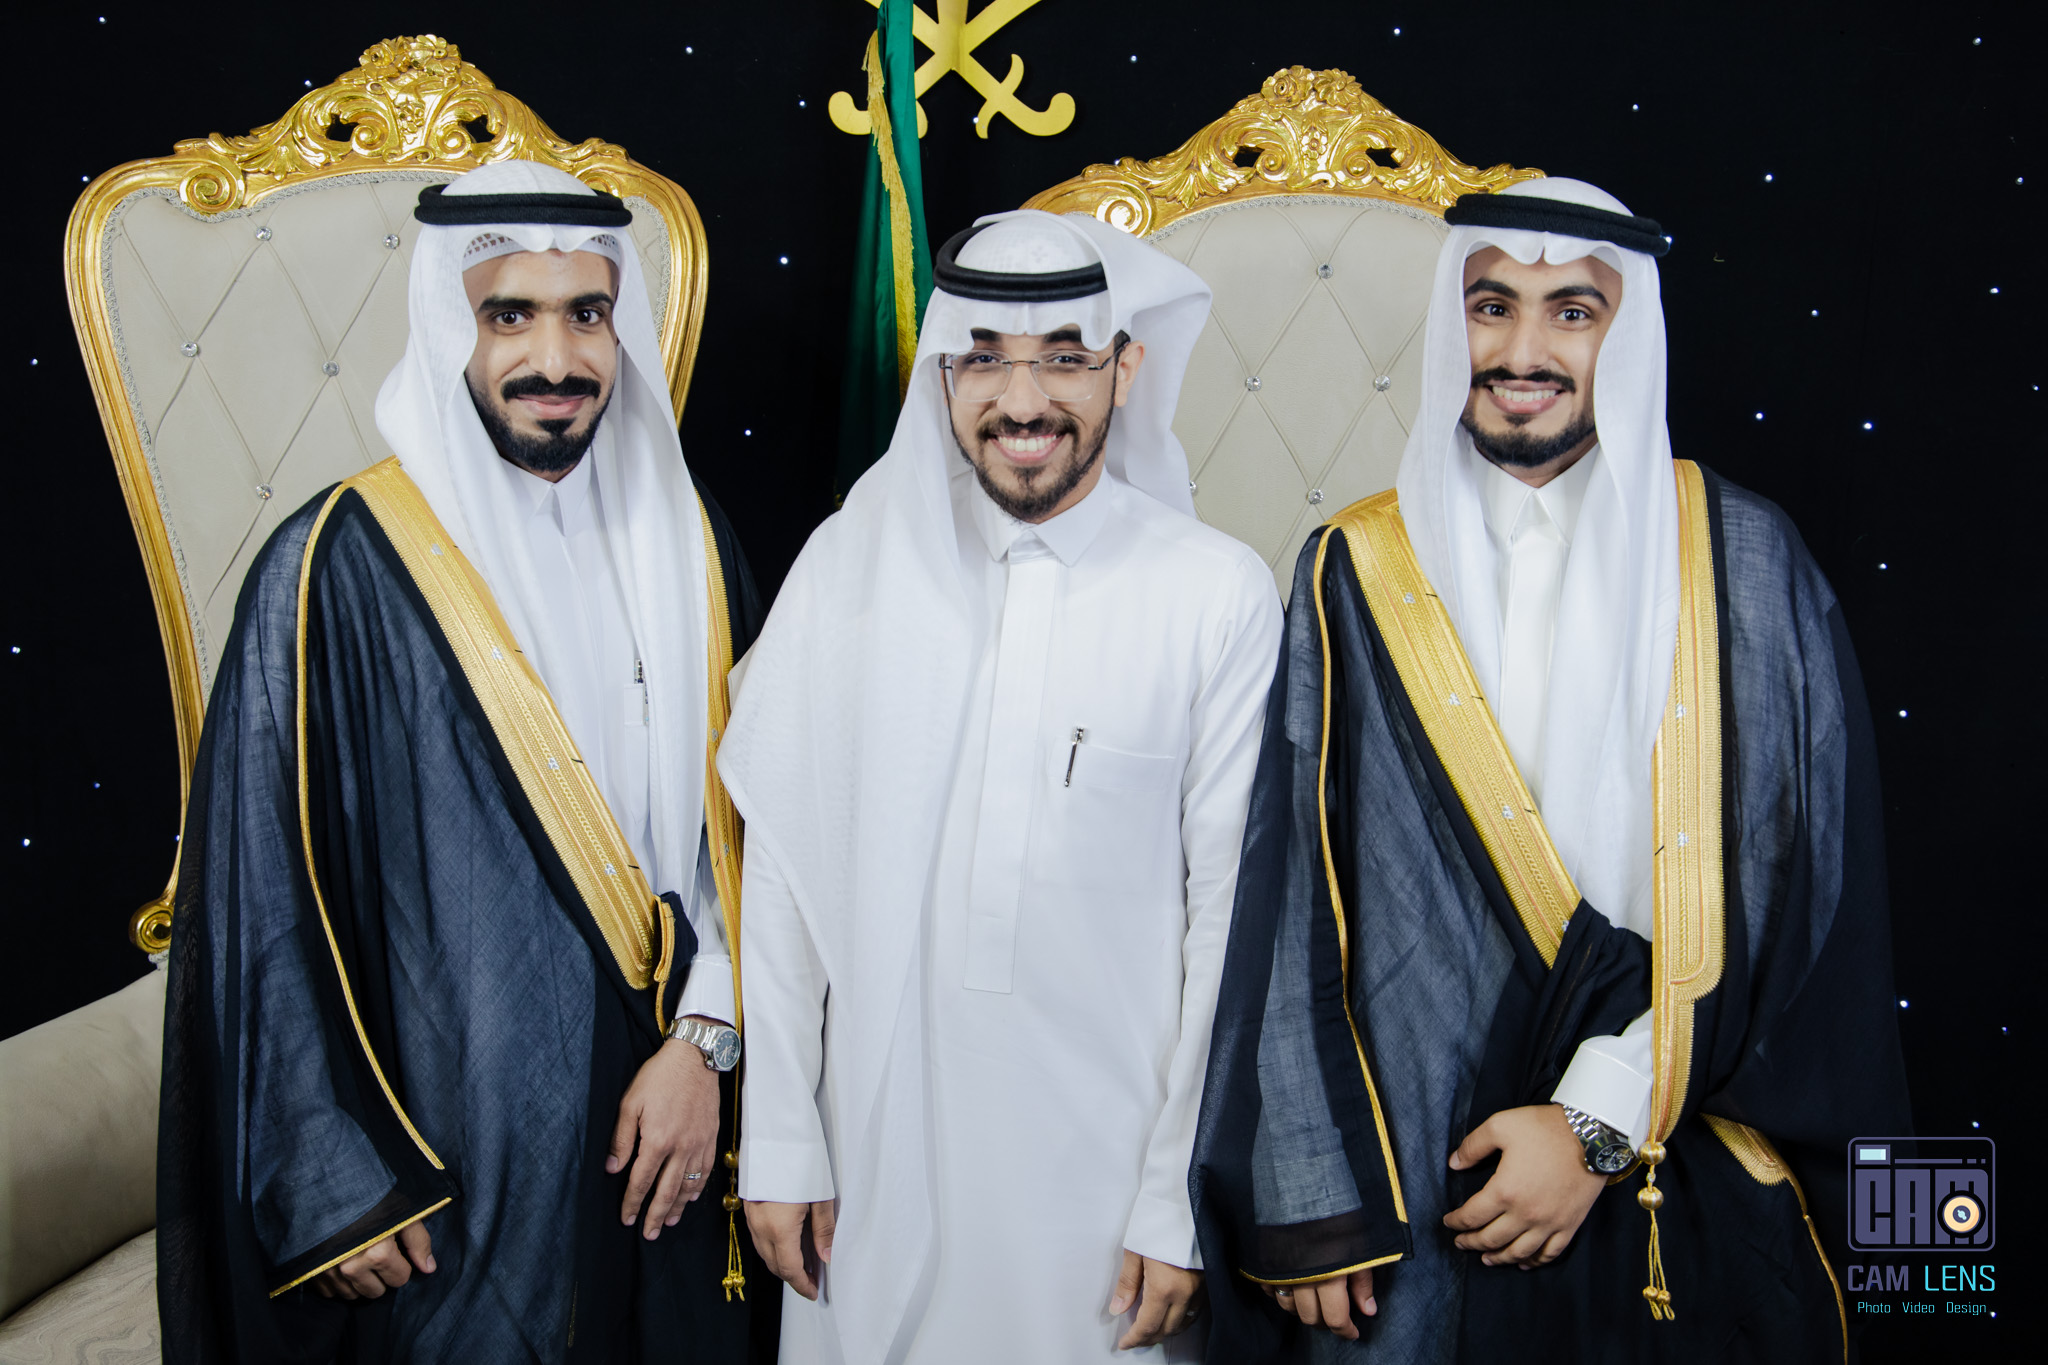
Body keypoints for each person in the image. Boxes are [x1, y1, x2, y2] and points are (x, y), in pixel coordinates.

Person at [1192, 178, 1910, 1363]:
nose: (1521, 350)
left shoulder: (1740, 560)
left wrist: (1594, 1122)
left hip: (1672, 1123)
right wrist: (1316, 1203)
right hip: (1411, 1155)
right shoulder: (1354, 565)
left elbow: (1794, 897)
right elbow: (1293, 901)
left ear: (1626, 336)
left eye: (1571, 311)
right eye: (1491, 307)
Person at [157, 160, 767, 1363]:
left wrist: (705, 1044)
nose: (556, 357)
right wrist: (329, 1176)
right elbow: (257, 895)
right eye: (509, 315)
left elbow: (757, 841)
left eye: (586, 313)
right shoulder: (334, 565)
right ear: (452, 328)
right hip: (445, 1153)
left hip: (675, 1124)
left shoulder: (691, 543)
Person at [718, 210, 1282, 1363]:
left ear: (1126, 368)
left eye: (1064, 358)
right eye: (983, 360)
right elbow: (778, 870)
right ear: (942, 375)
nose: (1021, 402)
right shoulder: (851, 570)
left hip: (1104, 1186)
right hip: (867, 1162)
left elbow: (1228, 925)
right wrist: (778, 1136)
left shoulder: (1213, 594)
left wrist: (1174, 1198)